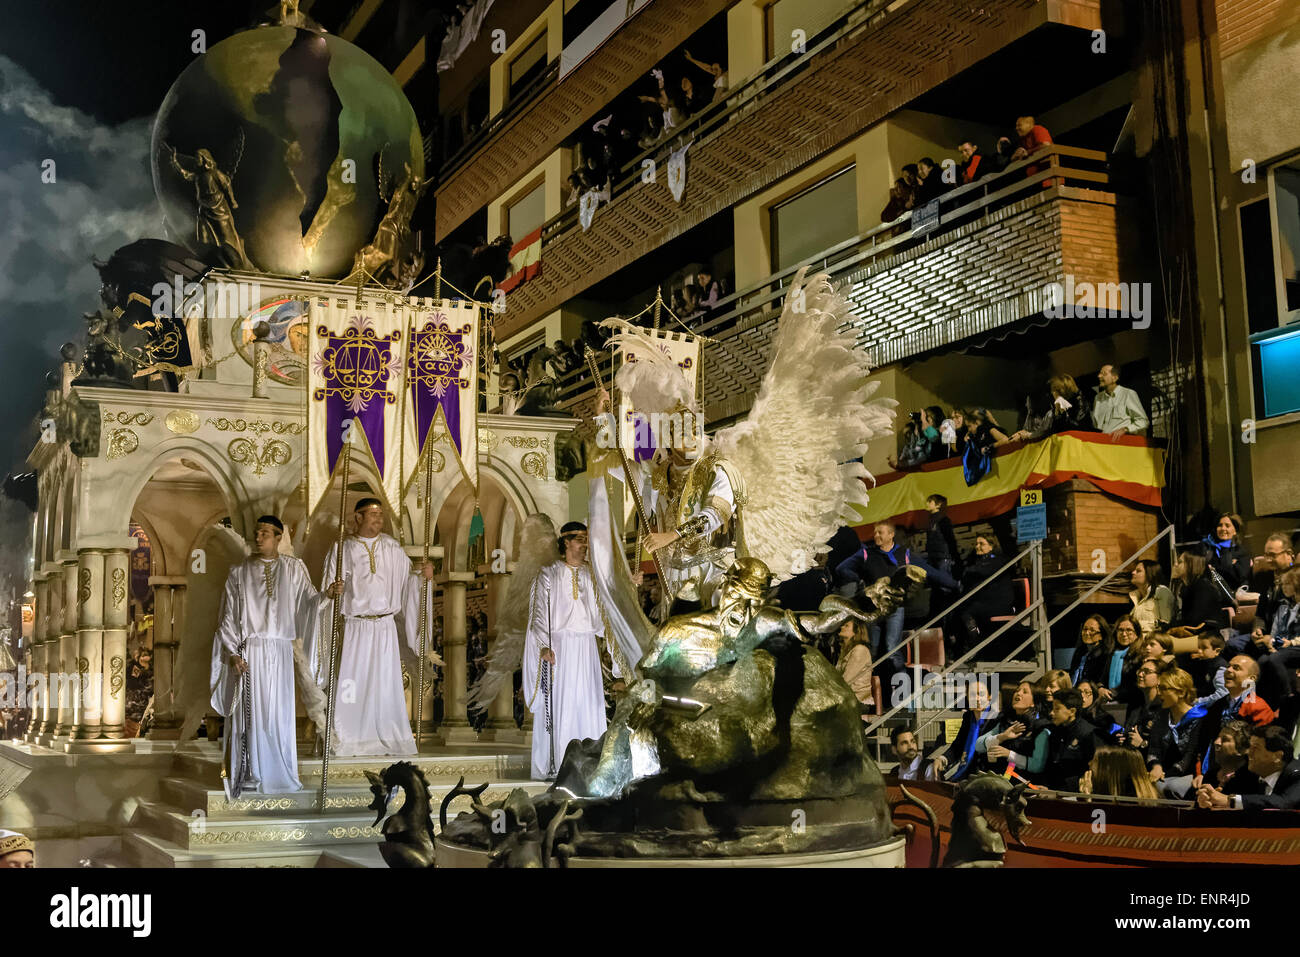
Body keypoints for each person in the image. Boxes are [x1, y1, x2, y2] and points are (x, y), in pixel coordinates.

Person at [212, 515, 325, 799]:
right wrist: (234, 653)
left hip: (281, 648)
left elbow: (309, 602)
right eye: (257, 533)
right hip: (252, 649)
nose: (259, 538)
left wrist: (329, 596)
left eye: (265, 533)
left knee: (278, 713)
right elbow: (228, 618)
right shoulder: (239, 572)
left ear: (278, 537)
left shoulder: (294, 568)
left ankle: (281, 772)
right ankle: (250, 774)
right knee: (253, 713)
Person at [319, 499, 438, 757]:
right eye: (373, 515)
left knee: (385, 683)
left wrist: (423, 576)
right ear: (358, 517)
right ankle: (349, 736)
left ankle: (391, 733)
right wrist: (331, 592)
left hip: (384, 628)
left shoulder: (392, 548)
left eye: (381, 515)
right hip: (355, 627)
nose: (378, 519)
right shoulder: (342, 549)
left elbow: (409, 581)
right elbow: (327, 589)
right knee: (352, 683)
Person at [523, 522, 629, 781]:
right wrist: (543, 645)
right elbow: (538, 614)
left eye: (586, 540)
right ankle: (558, 763)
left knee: (586, 702)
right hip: (560, 649)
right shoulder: (549, 573)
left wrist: (630, 586)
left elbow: (608, 611)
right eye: (580, 540)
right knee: (563, 704)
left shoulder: (592, 575)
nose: (584, 546)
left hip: (586, 649)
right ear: (567, 542)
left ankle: (590, 764)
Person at [834, 521, 956, 682]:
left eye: (880, 532)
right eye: (875, 532)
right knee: (873, 650)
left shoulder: (904, 554)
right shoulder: (866, 553)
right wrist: (859, 580)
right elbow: (842, 568)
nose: (876, 535)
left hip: (895, 609)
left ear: (891, 535)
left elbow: (930, 572)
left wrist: (954, 584)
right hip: (873, 608)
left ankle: (902, 693)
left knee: (893, 649)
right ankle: (872, 692)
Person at [1197, 724, 1300, 810]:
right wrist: (1209, 799)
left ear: (1277, 756)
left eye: (1256, 748)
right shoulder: (1249, 775)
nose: (1249, 753)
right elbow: (1226, 799)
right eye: (1250, 747)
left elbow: (1284, 802)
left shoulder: (1297, 774)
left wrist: (1229, 800)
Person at [1144, 667, 1208, 798]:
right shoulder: (1161, 716)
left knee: (1166, 787)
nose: (1158, 693)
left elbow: (1190, 755)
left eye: (1163, 689)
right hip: (1162, 772)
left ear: (1181, 692)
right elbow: (1154, 749)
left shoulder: (1199, 717)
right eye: (1158, 688)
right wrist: (1156, 767)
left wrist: (1165, 774)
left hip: (1188, 774)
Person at [974, 680, 1047, 776]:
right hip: (1001, 777)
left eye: (1024, 692)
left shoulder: (1039, 727)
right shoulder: (1005, 721)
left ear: (1033, 703)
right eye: (1017, 690)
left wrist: (1009, 754)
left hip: (1025, 782)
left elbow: (1037, 766)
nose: (1018, 693)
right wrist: (1002, 737)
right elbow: (978, 745)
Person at [958, 534, 1013, 652]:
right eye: (976, 544)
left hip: (998, 603)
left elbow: (982, 572)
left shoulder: (998, 560)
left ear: (991, 546)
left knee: (965, 610)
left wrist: (969, 571)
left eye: (981, 544)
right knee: (960, 609)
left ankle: (975, 641)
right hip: (985, 601)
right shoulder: (978, 561)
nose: (977, 547)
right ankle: (972, 642)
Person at [1043, 687, 1097, 792]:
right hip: (1054, 791)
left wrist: (1063, 790)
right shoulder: (1055, 733)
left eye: (1057, 709)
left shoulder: (1088, 734)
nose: (1051, 713)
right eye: (1052, 708)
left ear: (1072, 711)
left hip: (1078, 793)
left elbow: (1093, 773)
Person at [1171, 550, 1230, 632]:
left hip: (1206, 637)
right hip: (1194, 633)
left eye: (1180, 562)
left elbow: (1194, 621)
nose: (1175, 565)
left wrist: (1169, 627)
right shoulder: (1188, 588)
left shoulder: (1203, 587)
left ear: (1191, 565)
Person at [1080, 744, 1159, 802]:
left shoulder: (1133, 804)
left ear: (1110, 769)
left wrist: (1088, 799)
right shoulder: (1102, 794)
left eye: (1095, 761)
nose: (1089, 763)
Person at [1090, 364, 1149, 438]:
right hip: (1102, 445)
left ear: (1114, 378)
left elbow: (1143, 421)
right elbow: (1096, 426)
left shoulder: (1128, 394)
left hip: (1121, 446)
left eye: (1104, 374)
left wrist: (1126, 429)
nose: (1099, 376)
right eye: (1099, 373)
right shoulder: (1098, 398)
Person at [1124, 658, 1166, 758]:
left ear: (1160, 678)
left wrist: (1142, 744)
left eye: (1146, 672)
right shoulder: (1136, 708)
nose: (1140, 674)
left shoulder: (1164, 710)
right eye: (1140, 671)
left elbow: (1166, 748)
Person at [1201, 512, 1253, 592]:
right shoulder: (1210, 549)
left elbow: (1240, 577)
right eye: (1220, 525)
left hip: (1236, 596)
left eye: (1227, 526)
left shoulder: (1241, 551)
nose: (1223, 528)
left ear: (1235, 530)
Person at [836, 618, 874, 721]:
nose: (841, 627)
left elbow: (846, 679)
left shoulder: (860, 650)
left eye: (846, 625)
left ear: (856, 632)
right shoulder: (845, 650)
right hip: (846, 698)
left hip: (858, 700)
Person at [1128, 559, 1175, 635]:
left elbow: (1166, 624)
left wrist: (1135, 626)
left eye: (1138, 571)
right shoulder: (1135, 597)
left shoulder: (1162, 592)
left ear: (1150, 574)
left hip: (1154, 642)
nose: (1133, 572)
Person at [1068, 615, 1114, 687]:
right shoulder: (1080, 652)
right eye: (1085, 629)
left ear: (1101, 635)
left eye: (1092, 630)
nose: (1087, 633)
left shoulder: (1106, 655)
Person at [1010, 115, 1053, 183]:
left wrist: (1028, 152)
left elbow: (1046, 145)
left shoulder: (1037, 129)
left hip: (1048, 178)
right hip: (1035, 180)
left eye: (1019, 125)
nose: (1017, 128)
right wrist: (1015, 156)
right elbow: (1017, 156)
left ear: (1028, 124)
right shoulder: (1023, 139)